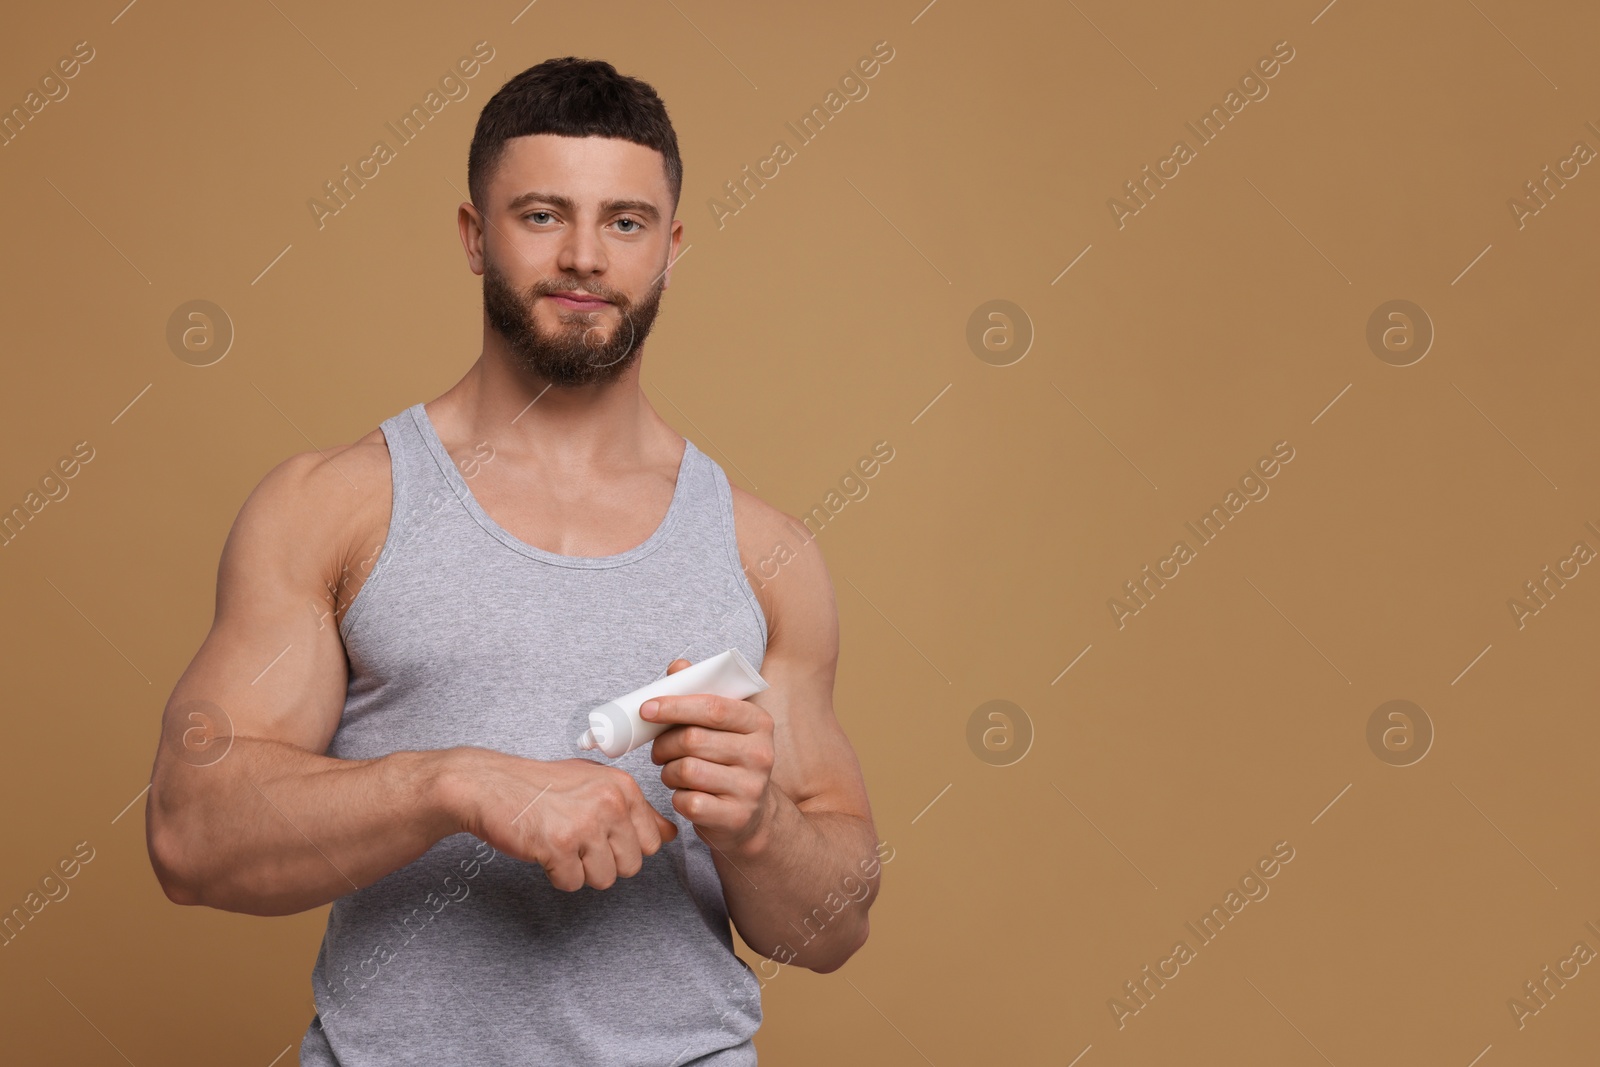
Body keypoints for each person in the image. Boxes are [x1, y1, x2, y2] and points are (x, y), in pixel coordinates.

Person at [144, 56, 881, 1065]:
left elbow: (834, 926)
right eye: (541, 215)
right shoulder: (335, 506)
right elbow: (190, 837)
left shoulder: (763, 552)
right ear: (473, 236)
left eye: (624, 223)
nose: (584, 255)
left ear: (670, 249)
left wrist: (758, 828)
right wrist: (452, 781)